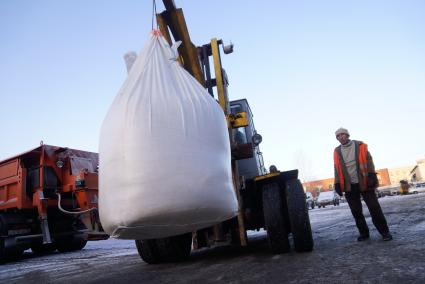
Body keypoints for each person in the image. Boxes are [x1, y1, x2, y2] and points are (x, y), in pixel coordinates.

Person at [333, 127, 392, 241]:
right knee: (356, 211)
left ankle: (385, 232)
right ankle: (364, 233)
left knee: (374, 207)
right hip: (349, 185)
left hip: (365, 181)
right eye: (338, 136)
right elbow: (336, 168)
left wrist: (371, 174)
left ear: (347, 135)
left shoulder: (360, 146)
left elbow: (369, 160)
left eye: (343, 134)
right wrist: (337, 183)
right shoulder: (337, 151)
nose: (341, 137)